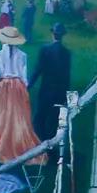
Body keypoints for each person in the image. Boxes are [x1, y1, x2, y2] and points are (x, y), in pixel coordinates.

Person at [0, 26, 38, 164]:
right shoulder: (23, 56)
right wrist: (24, 88)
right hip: (18, 87)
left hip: (4, 87)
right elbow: (24, 77)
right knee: (17, 117)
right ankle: (16, 144)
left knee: (0, 115)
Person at [30, 23, 74, 152]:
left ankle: (39, 144)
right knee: (54, 119)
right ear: (62, 36)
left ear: (52, 34)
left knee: (40, 117)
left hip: (46, 89)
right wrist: (67, 94)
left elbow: (38, 69)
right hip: (59, 91)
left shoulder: (45, 49)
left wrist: (29, 84)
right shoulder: (67, 53)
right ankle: (50, 147)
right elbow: (67, 76)